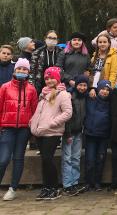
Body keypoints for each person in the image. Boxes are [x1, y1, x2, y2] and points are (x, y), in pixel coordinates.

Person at [29, 66, 72, 201]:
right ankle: (46, 187)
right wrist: (33, 121)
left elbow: (67, 113)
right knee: (45, 160)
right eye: (47, 78)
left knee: (48, 158)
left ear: (58, 79)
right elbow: (39, 111)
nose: (49, 81)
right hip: (40, 131)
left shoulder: (63, 94)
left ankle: (54, 187)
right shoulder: (44, 94)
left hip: (52, 132)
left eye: (52, 78)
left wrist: (52, 123)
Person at [0, 59, 38, 201]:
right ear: (15, 70)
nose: (22, 71)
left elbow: (34, 111)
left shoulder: (31, 89)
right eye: (19, 69)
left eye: (25, 69)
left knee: (18, 158)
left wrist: (32, 129)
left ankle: (13, 188)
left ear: (28, 72)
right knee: (3, 159)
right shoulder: (5, 87)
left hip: (23, 130)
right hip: (7, 128)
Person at [62, 75, 89, 196]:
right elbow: (67, 116)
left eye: (84, 85)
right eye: (80, 85)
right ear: (76, 85)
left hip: (79, 131)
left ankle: (75, 181)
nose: (82, 88)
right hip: (69, 132)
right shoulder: (69, 96)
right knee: (67, 158)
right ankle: (67, 184)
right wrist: (67, 133)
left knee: (76, 158)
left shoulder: (85, 97)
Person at [84, 80, 111, 191]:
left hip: (103, 135)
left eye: (107, 90)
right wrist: (91, 89)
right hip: (91, 134)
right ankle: (88, 182)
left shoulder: (110, 102)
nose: (104, 91)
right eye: (102, 89)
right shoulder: (91, 98)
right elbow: (77, 90)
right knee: (90, 160)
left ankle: (97, 182)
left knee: (101, 159)